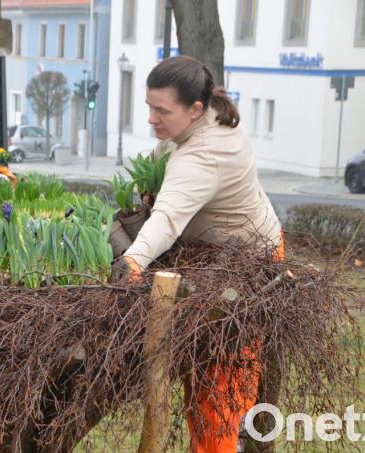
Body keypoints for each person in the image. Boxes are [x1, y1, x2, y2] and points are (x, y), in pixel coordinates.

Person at [112, 55, 284, 453]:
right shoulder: (205, 119)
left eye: (162, 111)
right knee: (205, 373)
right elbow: (165, 174)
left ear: (194, 108)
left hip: (249, 266)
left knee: (219, 387)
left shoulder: (206, 153)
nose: (152, 119)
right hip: (220, 259)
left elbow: (168, 218)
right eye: (149, 107)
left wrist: (133, 261)